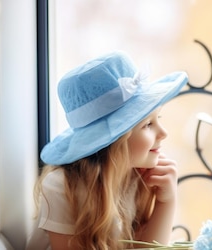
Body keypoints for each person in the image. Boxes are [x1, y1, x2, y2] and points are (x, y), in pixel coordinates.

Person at [26, 51, 188, 249]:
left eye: (158, 119)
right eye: (147, 125)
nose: (163, 133)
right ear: (115, 142)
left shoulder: (137, 176)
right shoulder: (62, 187)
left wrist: (166, 202)